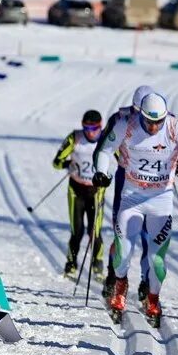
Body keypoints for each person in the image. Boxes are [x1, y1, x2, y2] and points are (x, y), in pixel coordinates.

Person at [93, 93, 178, 327]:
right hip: (131, 198)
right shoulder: (127, 125)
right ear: (140, 115)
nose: (154, 126)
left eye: (159, 121)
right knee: (123, 253)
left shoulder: (175, 128)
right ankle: (120, 287)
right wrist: (102, 172)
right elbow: (105, 150)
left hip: (161, 201)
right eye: (149, 121)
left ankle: (153, 298)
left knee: (156, 260)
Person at [101, 85, 155, 300]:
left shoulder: (163, 118)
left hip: (154, 184)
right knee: (121, 231)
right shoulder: (120, 118)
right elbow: (104, 147)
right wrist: (102, 172)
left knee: (149, 235)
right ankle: (113, 275)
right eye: (135, 111)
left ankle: (147, 281)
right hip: (126, 179)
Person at [53, 110, 107, 279]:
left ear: (101, 126)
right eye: (86, 127)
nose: (90, 131)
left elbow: (124, 161)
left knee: (95, 231)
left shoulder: (107, 140)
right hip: (76, 190)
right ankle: (71, 264)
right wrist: (68, 164)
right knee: (77, 230)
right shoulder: (74, 138)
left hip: (96, 192)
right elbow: (57, 162)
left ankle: (97, 266)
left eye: (94, 128)